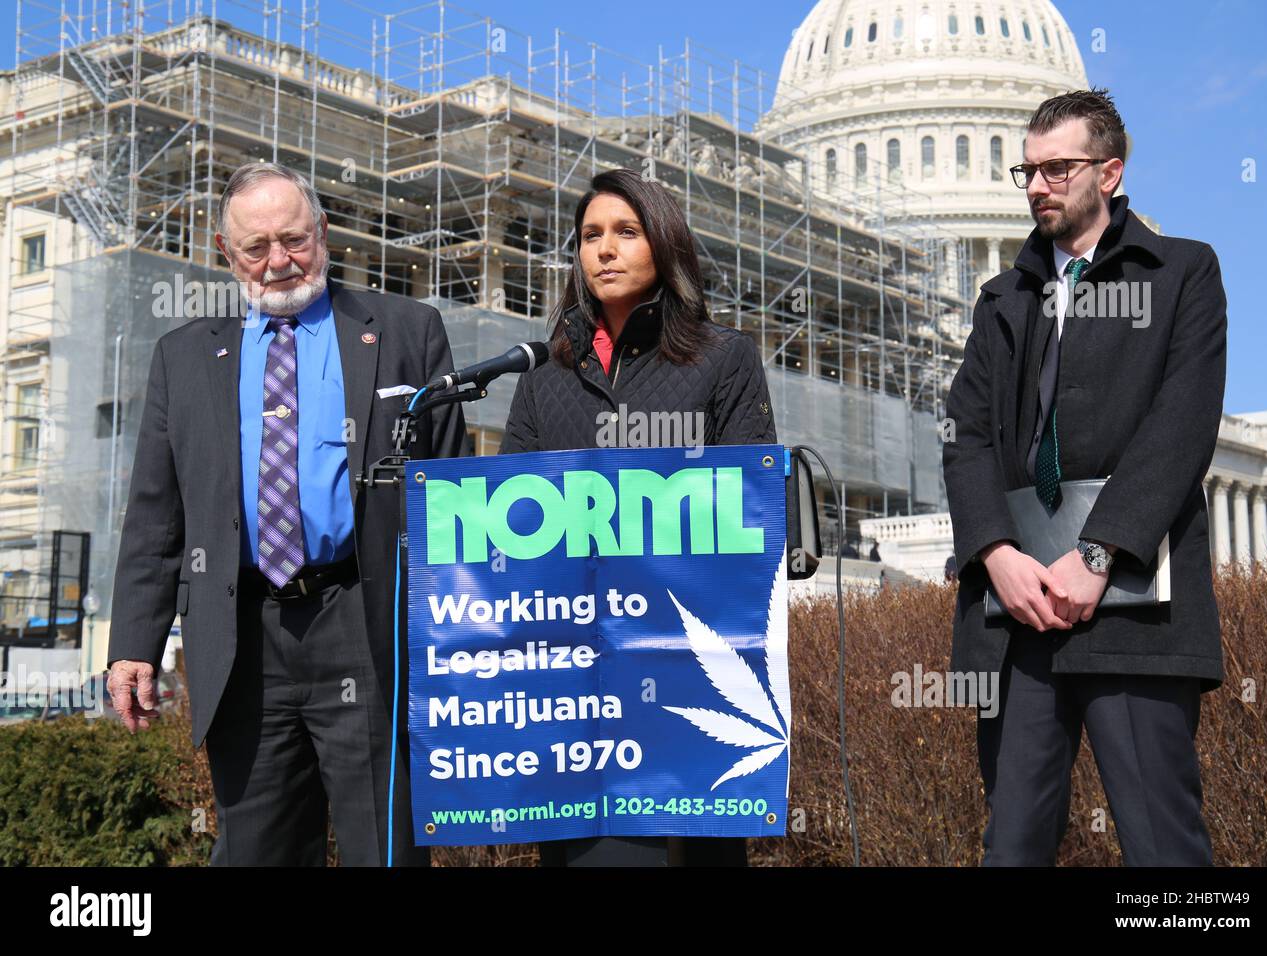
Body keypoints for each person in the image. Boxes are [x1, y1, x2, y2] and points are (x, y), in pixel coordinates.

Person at [107, 161, 468, 866]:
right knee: (256, 853)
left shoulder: (406, 330)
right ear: (225, 253)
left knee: (385, 852)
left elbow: (450, 492)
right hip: (242, 638)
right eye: (256, 247)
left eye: (296, 238)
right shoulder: (182, 359)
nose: (279, 260)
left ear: (324, 232)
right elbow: (156, 516)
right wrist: (132, 644)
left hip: (366, 625)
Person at [942, 88, 1226, 866]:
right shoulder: (999, 300)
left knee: (1163, 844)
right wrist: (996, 554)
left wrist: (1099, 553)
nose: (1038, 185)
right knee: (1014, 846)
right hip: (1017, 611)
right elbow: (965, 437)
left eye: (1057, 168)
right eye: (1027, 171)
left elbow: (1182, 425)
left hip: (1137, 609)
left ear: (1110, 171)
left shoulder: (1181, 274)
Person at [500, 167, 776, 866]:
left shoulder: (725, 361)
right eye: (591, 235)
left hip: (688, 675)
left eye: (626, 232)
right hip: (571, 682)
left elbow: (752, 519)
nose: (605, 250)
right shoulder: (541, 379)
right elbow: (508, 525)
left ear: (664, 244)